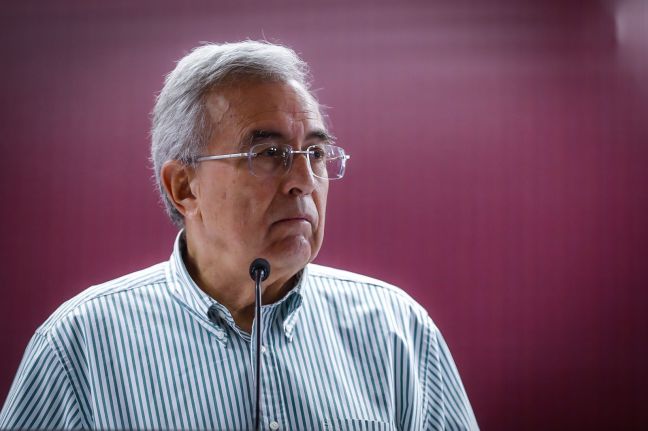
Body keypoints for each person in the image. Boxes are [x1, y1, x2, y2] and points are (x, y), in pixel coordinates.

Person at [0, 41, 478, 430]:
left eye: (315, 153)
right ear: (184, 187)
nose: (304, 181)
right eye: (269, 154)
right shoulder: (81, 344)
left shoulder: (396, 329)